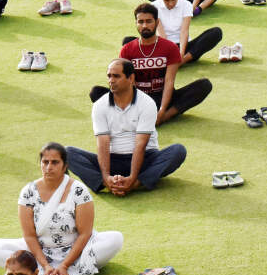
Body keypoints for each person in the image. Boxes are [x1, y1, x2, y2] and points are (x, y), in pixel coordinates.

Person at [0, 143, 124, 275]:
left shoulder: (79, 191)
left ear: (65, 165)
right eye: (45, 162)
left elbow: (84, 234)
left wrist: (64, 265)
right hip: (40, 252)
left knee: (115, 239)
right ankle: (49, 272)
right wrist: (45, 266)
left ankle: (55, 272)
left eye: (55, 162)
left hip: (77, 252)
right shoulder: (28, 192)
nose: (49, 167)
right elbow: (30, 236)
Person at [66, 58, 188, 195]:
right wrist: (106, 177)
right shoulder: (99, 105)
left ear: (131, 78)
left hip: (145, 159)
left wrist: (132, 179)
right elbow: (103, 144)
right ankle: (106, 184)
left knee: (178, 151)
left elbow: (140, 144)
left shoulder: (147, 103)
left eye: (116, 76)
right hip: (113, 160)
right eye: (109, 76)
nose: (111, 80)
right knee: (67, 153)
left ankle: (137, 183)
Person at [87, 3, 214, 125]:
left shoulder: (170, 48)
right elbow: (127, 83)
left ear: (157, 23)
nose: (144, 25)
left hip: (163, 97)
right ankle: (133, 116)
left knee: (204, 85)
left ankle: (164, 117)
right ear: (136, 24)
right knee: (96, 92)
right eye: (140, 22)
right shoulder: (127, 50)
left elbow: (169, 81)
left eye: (149, 21)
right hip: (137, 98)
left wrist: (163, 110)